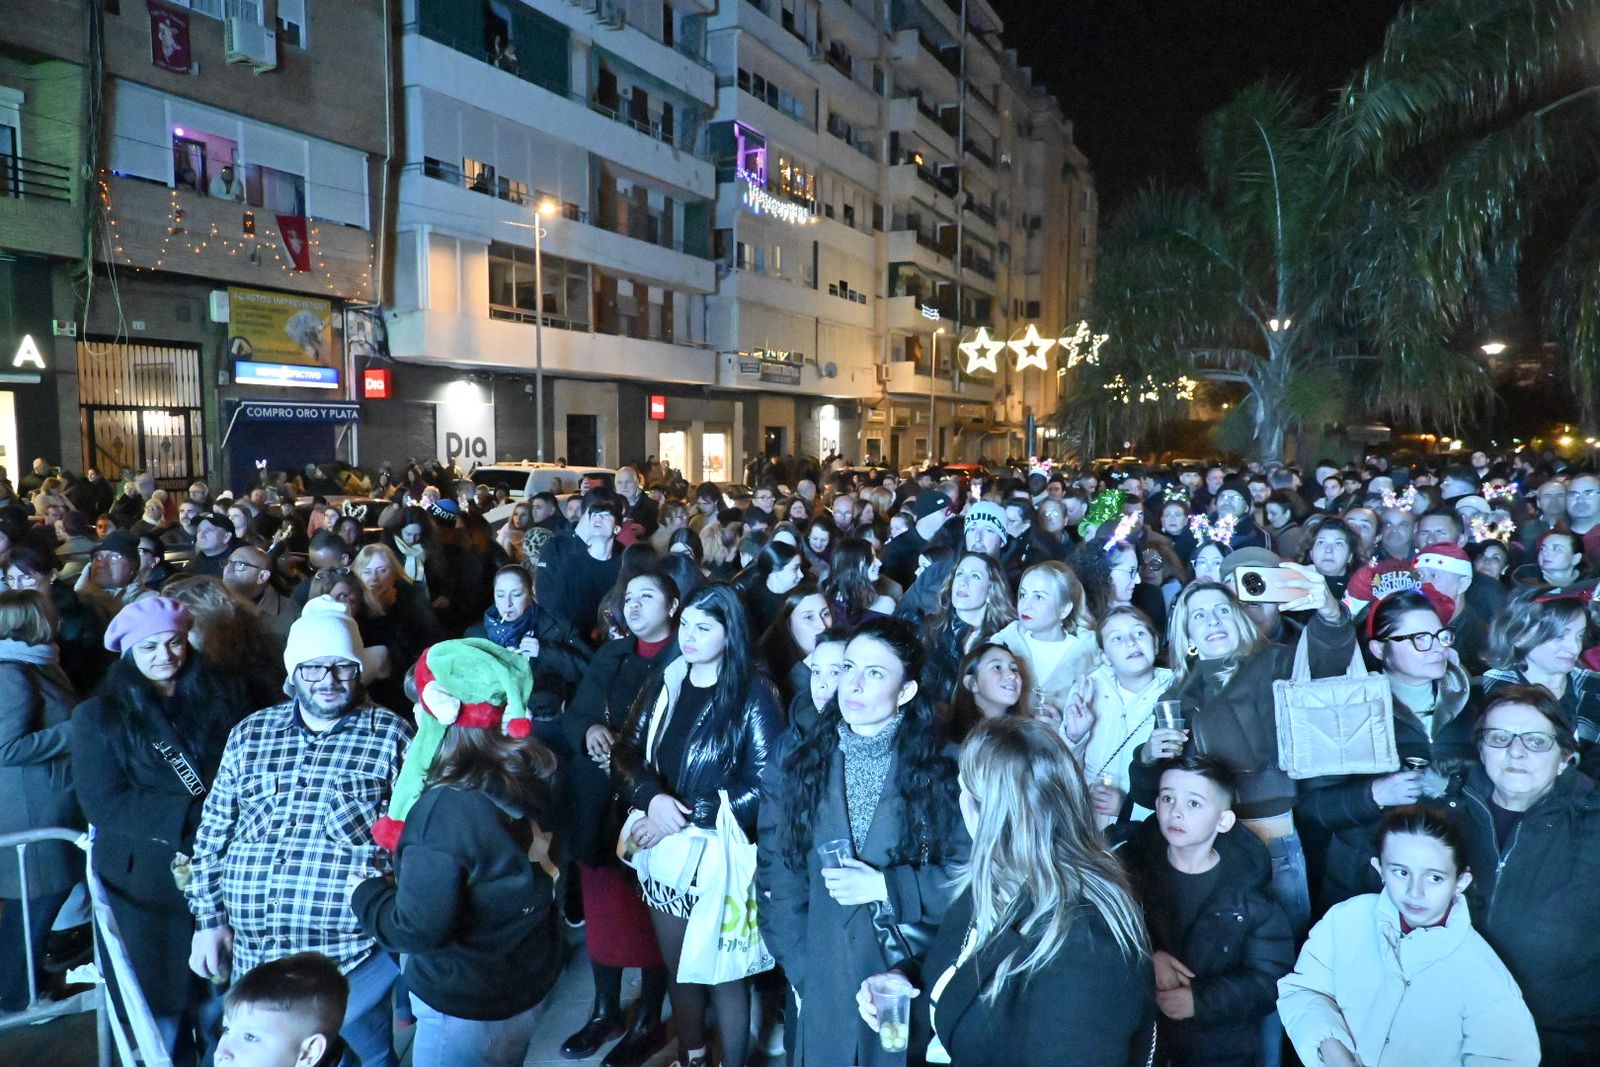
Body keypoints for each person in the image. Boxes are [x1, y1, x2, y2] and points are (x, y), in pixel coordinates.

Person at [186, 599, 412, 1067]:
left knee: (366, 1058)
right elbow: (214, 832)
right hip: (256, 956)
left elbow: (412, 841)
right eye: (313, 668)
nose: (328, 680)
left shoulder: (392, 736)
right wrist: (208, 919)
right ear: (293, 672)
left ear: (358, 670)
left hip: (350, 958)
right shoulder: (251, 733)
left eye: (342, 666)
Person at [856, 717, 1155, 1066]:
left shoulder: (1088, 946)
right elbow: (965, 960)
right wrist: (901, 978)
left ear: (985, 814)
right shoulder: (995, 879)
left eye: (963, 789)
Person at [757, 617, 968, 1067]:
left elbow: (973, 876)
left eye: (874, 673)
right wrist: (803, 968)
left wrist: (888, 887)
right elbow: (778, 872)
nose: (852, 684)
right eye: (848, 667)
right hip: (823, 972)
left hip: (905, 976)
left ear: (906, 692)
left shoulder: (946, 768)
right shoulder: (802, 759)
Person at [351, 641, 563, 1067]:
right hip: (526, 974)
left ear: (441, 717)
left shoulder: (442, 811)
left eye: (420, 706)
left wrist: (366, 895)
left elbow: (418, 929)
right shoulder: (531, 766)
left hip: (468, 1003)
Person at [70, 597, 249, 1063]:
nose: (165, 656)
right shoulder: (99, 715)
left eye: (173, 643)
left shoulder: (219, 696)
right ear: (128, 653)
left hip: (219, 865)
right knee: (159, 1010)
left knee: (223, 1000)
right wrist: (196, 817)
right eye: (149, 647)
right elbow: (104, 801)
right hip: (145, 882)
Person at [611, 583, 782, 1067]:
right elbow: (626, 752)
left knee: (725, 974)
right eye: (685, 624)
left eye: (703, 628)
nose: (688, 637)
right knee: (681, 969)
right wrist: (651, 798)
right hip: (665, 852)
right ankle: (693, 1057)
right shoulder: (667, 680)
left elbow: (768, 784)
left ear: (730, 634)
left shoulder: (753, 692)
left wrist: (683, 812)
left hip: (717, 853)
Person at [1131, 571, 1352, 939]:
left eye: (1222, 610)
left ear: (1238, 619)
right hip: (1207, 850)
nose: (1213, 621)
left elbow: (1328, 662)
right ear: (1188, 636)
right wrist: (1148, 756)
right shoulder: (1175, 698)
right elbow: (1150, 794)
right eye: (1199, 615)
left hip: (1272, 839)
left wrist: (1330, 614)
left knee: (1283, 945)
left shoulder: (1276, 664)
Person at [1277, 806, 1540, 1067]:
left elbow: (1508, 1059)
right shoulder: (1346, 919)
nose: (1415, 892)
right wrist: (1333, 1050)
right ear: (1380, 869)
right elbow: (1303, 989)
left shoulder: (1486, 976)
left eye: (1434, 878)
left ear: (1460, 881)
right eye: (1401, 872)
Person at [1442, 684, 1600, 1063]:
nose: (1516, 752)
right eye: (1499, 738)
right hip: (1454, 1033)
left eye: (1536, 741)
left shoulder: (1594, 826)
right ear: (1481, 749)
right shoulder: (1444, 817)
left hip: (1563, 1042)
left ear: (1565, 758)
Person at [559, 568, 675, 1067]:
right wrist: (588, 731)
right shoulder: (612, 654)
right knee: (603, 910)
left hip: (650, 801)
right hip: (596, 801)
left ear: (673, 606)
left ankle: (648, 1017)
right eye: (629, 598)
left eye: (647, 596)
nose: (634, 605)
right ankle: (605, 1010)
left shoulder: (683, 656)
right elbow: (578, 713)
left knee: (651, 916)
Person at [1118, 756, 1294, 1067]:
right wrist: (1148, 956)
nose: (1176, 812)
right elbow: (1098, 935)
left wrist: (1199, 1000)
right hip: (1139, 1037)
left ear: (1223, 821)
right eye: (1168, 798)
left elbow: (1270, 980)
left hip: (1219, 1049)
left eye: (1194, 803)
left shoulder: (1249, 891)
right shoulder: (1130, 867)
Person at [0, 589, 80, 1011]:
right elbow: (6, 747)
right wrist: (75, 730)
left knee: (37, 905)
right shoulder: (12, 673)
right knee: (34, 907)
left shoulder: (35, 662)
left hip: (44, 803)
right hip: (33, 812)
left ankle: (31, 989)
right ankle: (19, 997)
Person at [463, 565, 590, 752]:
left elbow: (589, 671)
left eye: (516, 594)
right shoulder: (477, 635)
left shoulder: (556, 626)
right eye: (500, 595)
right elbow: (465, 683)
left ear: (530, 595)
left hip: (546, 720)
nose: (507, 603)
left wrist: (546, 651)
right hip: (495, 723)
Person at [1076, 606, 1173, 828]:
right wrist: (1073, 737)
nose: (1131, 642)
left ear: (1155, 644)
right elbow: (1065, 766)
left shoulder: (1175, 695)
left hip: (1143, 829)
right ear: (1104, 657)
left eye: (1139, 633)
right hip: (1087, 823)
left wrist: (1128, 807)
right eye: (1117, 638)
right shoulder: (1088, 689)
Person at [1478, 585, 1600, 758]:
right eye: (1559, 636)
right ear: (1519, 636)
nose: (1574, 647)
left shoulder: (1593, 686)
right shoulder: (1487, 693)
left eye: (1579, 636)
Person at [992, 561, 1098, 713]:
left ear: (1064, 609)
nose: (1026, 605)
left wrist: (1066, 727)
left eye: (1038, 597)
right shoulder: (1002, 646)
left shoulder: (1089, 655)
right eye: (1023, 595)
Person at [919, 552, 1016, 709]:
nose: (963, 582)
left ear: (990, 592)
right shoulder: (929, 629)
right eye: (959, 574)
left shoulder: (1002, 640)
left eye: (975, 576)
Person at [537, 490, 625, 645]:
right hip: (568, 638)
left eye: (608, 514)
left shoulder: (623, 556)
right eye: (596, 512)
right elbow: (549, 600)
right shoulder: (558, 549)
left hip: (609, 638)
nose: (599, 518)